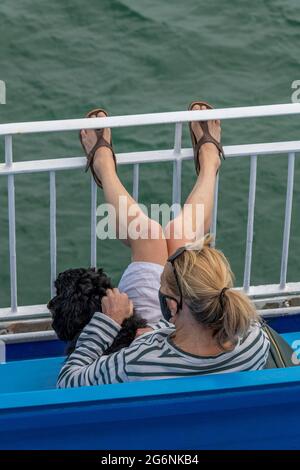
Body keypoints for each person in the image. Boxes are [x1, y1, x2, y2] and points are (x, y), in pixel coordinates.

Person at [57, 102, 269, 388]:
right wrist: (159, 329)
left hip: (166, 338)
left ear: (170, 304)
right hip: (186, 345)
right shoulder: (252, 338)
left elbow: (69, 383)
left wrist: (110, 321)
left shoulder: (140, 358)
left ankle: (104, 167)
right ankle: (209, 163)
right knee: (178, 237)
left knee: (151, 236)